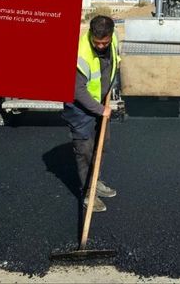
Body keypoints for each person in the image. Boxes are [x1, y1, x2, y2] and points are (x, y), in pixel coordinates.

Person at [61, 15, 119, 213]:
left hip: (100, 102)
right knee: (85, 151)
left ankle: (96, 181)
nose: (101, 46)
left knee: (101, 146)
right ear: (91, 35)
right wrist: (101, 109)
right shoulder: (80, 54)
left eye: (105, 42)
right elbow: (77, 91)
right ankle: (88, 193)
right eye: (97, 43)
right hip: (79, 109)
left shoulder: (114, 39)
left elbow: (114, 62)